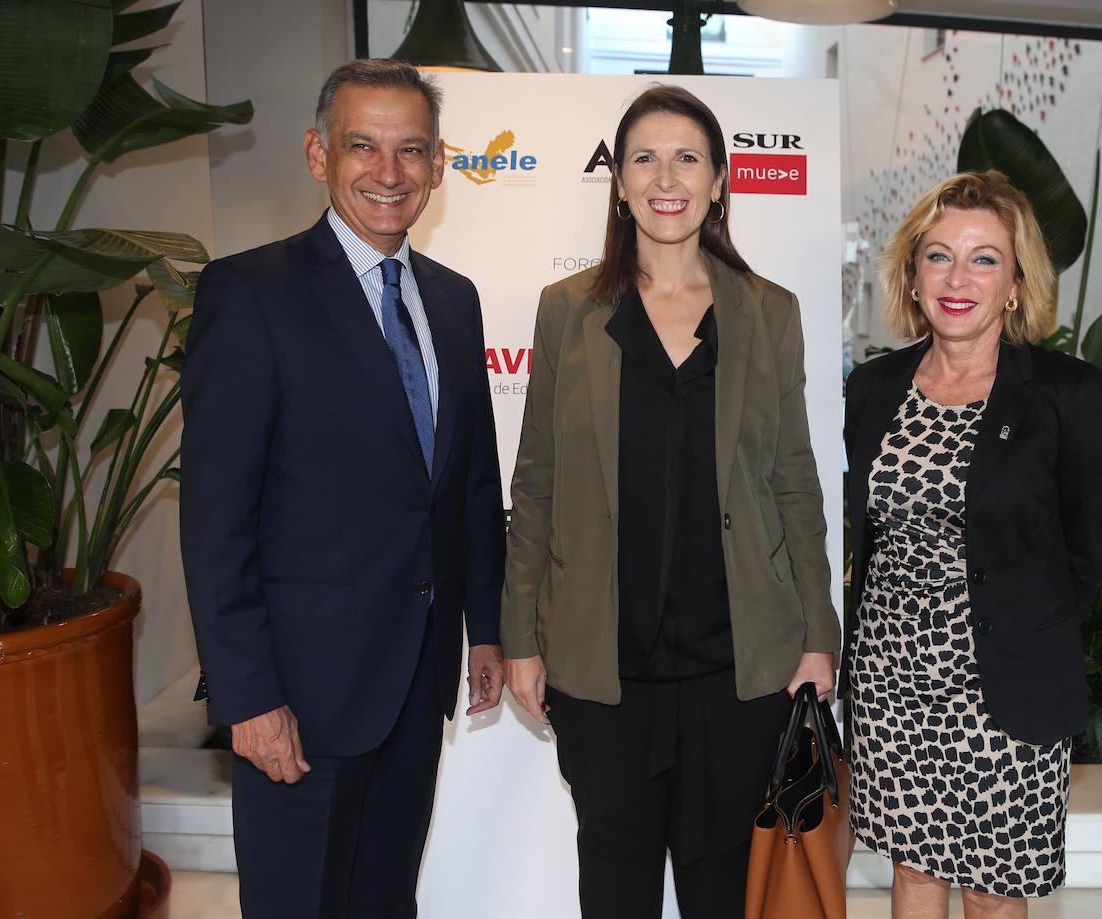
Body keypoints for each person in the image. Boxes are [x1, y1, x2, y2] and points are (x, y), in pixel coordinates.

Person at [500, 85, 840, 919]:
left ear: (721, 181)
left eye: (687, 156)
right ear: (617, 183)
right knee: (614, 887)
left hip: (739, 669)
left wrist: (818, 634)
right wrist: (519, 636)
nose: (665, 176)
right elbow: (536, 479)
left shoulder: (769, 313)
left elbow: (795, 478)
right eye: (643, 157)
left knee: (724, 890)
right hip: (601, 670)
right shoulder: (568, 312)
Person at [180, 59, 505, 918]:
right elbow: (217, 520)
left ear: (439, 165)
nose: (388, 173)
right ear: (318, 154)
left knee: (383, 901)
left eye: (411, 150)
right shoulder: (249, 294)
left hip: (416, 681)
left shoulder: (455, 301)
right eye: (363, 145)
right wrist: (249, 698)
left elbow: (467, 483)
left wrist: (485, 628)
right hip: (302, 696)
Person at [842, 170, 1102, 917]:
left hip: (1007, 687)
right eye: (938, 256)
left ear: (1017, 282)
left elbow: (1088, 548)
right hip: (892, 680)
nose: (957, 278)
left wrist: (1032, 632)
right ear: (913, 273)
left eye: (984, 258)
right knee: (913, 874)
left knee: (995, 892)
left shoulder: (1066, 393)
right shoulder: (874, 389)